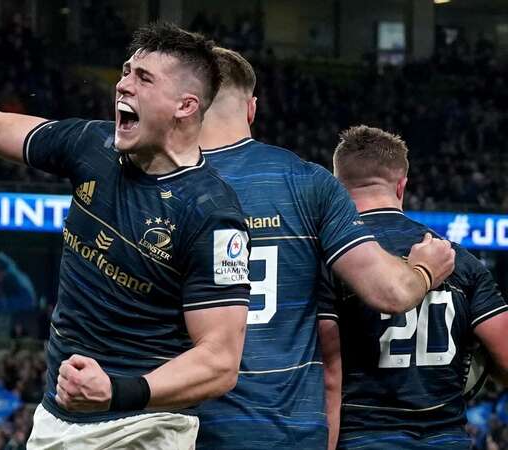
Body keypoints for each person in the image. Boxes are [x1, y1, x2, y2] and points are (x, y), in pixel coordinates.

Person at [0, 23, 251, 449]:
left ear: (185, 105)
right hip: (56, 419)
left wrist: (118, 390)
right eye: (126, 72)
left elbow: (219, 361)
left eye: (143, 78)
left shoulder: (211, 212)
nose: (122, 85)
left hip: (143, 426)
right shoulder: (93, 146)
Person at [194, 47, 456, 449]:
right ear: (252, 109)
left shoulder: (158, 184)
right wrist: (424, 269)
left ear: (188, 105)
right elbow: (389, 293)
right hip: (283, 428)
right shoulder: (306, 181)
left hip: (185, 421)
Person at [318, 125, 508, 450]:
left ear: (337, 185)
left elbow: (325, 371)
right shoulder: (458, 260)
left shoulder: (331, 259)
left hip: (364, 436)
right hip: (446, 438)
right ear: (401, 185)